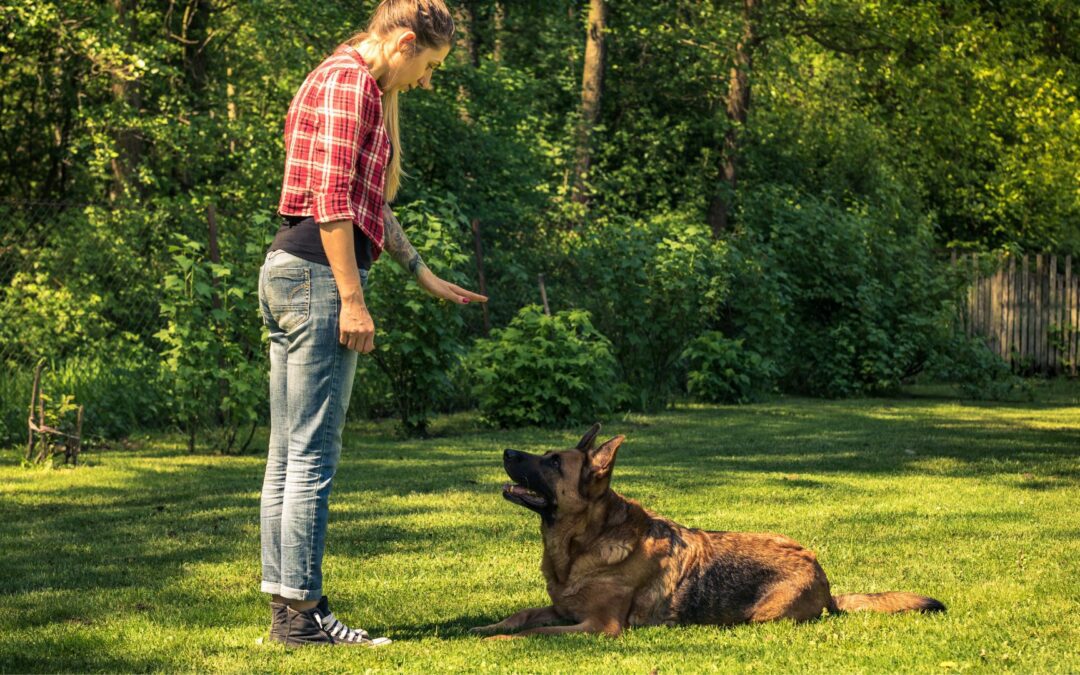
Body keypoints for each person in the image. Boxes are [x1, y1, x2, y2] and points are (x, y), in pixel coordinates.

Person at [257, 0, 486, 647]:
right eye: (430, 66)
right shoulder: (349, 83)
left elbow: (366, 202)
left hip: (295, 273)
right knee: (310, 456)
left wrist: (421, 271)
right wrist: (353, 299)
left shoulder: (347, 81)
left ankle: (287, 611)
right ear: (406, 41)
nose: (427, 81)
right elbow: (332, 201)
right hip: (315, 280)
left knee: (287, 456)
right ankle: (303, 614)